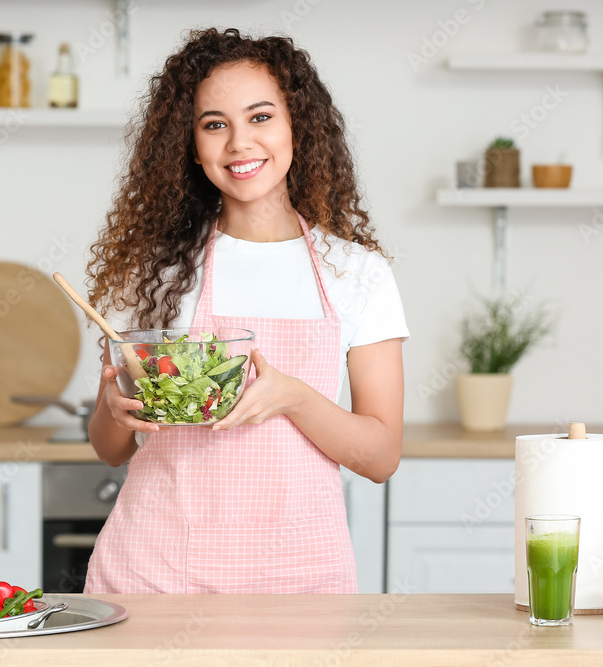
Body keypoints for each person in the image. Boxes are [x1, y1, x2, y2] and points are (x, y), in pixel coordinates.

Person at [83, 27, 408, 594]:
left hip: (298, 578)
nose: (239, 143)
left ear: (296, 126)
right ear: (190, 144)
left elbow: (380, 457)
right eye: (214, 124)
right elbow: (108, 449)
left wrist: (293, 397)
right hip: (154, 573)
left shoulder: (357, 275)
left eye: (260, 117)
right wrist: (114, 409)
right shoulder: (157, 271)